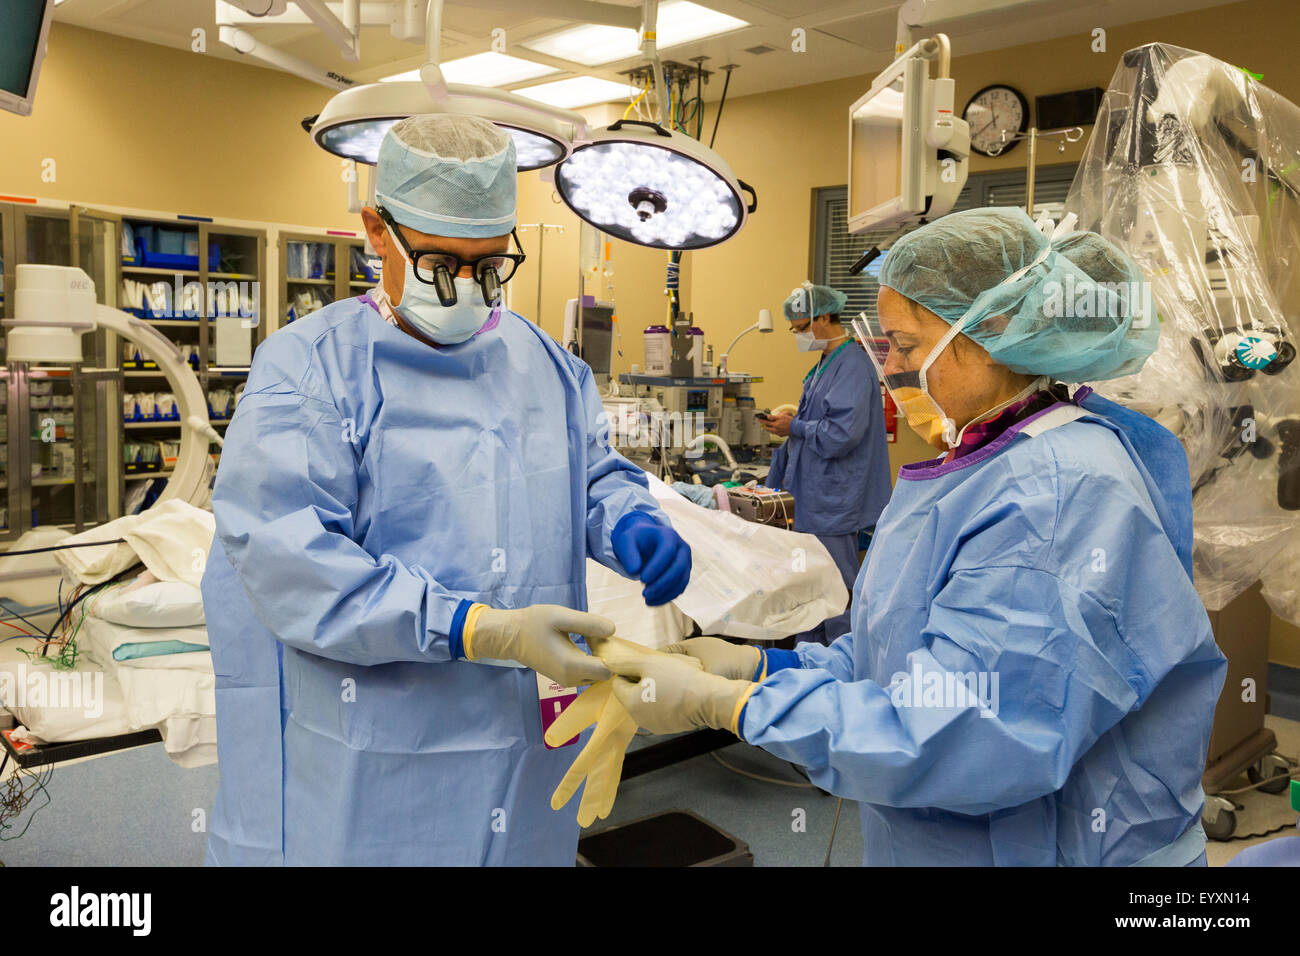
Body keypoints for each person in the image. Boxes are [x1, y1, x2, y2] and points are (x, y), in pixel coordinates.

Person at [596, 207, 1228, 866]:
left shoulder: (1053, 494)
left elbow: (958, 734)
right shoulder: (987, 465)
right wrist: (764, 667)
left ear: (994, 332)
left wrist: (734, 707)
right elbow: (900, 662)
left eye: (905, 343)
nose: (891, 367)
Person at [200, 114, 691, 866]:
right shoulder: (310, 371)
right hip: (372, 752)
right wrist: (470, 627)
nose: (467, 287)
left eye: (491, 265)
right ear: (375, 230)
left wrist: (627, 518)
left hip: (520, 736)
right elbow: (290, 561)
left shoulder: (543, 364)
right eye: (439, 262)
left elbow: (591, 470)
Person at [761, 282, 891, 644]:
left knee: (836, 589)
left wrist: (795, 426)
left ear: (823, 318)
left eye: (801, 328)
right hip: (813, 499)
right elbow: (809, 428)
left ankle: (841, 662)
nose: (799, 336)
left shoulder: (852, 363)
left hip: (834, 501)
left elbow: (842, 434)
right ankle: (809, 658)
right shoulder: (824, 364)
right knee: (810, 586)